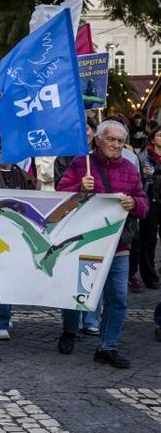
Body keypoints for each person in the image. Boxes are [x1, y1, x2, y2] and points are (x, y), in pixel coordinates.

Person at [56, 120, 148, 368]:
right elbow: (60, 198)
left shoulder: (130, 168)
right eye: (111, 139)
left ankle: (107, 346)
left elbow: (143, 203)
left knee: (118, 298)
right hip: (85, 244)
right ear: (98, 139)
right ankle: (69, 330)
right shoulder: (80, 163)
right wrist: (78, 187)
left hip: (118, 247)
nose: (116, 145)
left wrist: (135, 205)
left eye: (120, 141)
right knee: (77, 292)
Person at [0, 141, 38, 340]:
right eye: (3, 150)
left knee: (10, 274)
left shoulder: (23, 176)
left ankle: (4, 311)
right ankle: (0, 319)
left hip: (15, 233)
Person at [135, 127, 161, 290]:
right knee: (148, 240)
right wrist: (144, 175)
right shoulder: (144, 155)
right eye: (159, 135)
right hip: (150, 200)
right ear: (152, 139)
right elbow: (138, 179)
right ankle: (149, 276)